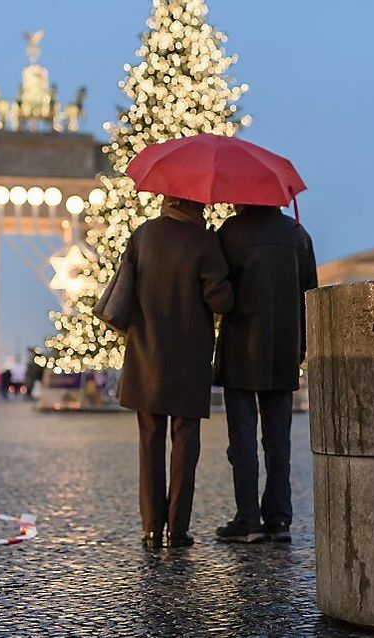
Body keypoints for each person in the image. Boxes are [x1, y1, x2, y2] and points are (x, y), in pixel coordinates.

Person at [117, 196, 233, 549]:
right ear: (197, 204)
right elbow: (221, 301)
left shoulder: (143, 234)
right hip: (188, 357)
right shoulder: (204, 241)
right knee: (185, 444)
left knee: (149, 442)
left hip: (146, 354)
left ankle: (151, 528)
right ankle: (177, 530)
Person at [214, 204, 318, 543]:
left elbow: (220, 294)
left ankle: (248, 519)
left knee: (242, 438)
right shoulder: (298, 235)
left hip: (241, 347)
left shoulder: (230, 233)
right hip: (284, 347)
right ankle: (279, 519)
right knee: (278, 439)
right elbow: (310, 295)